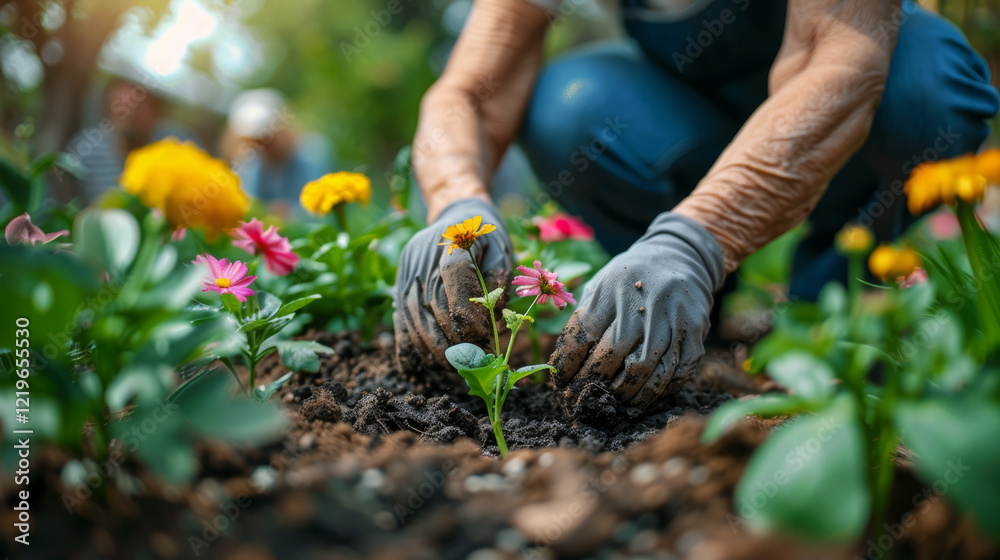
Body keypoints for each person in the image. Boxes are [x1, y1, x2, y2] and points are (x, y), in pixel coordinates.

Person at [393, 0, 1000, 410]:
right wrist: (455, 204)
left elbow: (841, 59)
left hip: (845, 100)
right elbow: (468, 90)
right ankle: (690, 315)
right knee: (568, 108)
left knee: (930, 94)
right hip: (689, 113)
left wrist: (697, 237)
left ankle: (840, 307)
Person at [66, 79, 198, 204]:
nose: (129, 117)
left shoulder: (175, 145)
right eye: (121, 109)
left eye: (138, 108)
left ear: (156, 112)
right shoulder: (86, 150)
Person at [222, 89, 333, 219]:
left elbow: (320, 208)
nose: (261, 144)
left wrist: (284, 214)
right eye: (253, 139)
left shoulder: (312, 153)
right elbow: (247, 204)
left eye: (265, 136)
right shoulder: (251, 163)